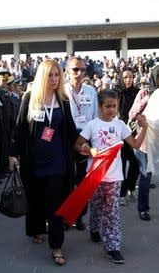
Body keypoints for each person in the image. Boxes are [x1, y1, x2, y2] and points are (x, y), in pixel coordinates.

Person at [10, 59, 78, 266]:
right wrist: (13, 154)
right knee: (36, 198)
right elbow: (20, 128)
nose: (55, 79)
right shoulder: (29, 98)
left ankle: (57, 246)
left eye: (57, 75)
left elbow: (72, 130)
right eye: (50, 75)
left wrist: (86, 145)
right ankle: (37, 229)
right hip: (34, 161)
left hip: (58, 161)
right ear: (42, 76)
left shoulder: (63, 100)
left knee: (55, 203)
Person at [75, 89, 148, 264]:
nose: (111, 110)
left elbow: (136, 144)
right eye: (108, 106)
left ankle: (113, 246)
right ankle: (94, 228)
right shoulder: (92, 125)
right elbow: (77, 145)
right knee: (96, 205)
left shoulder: (120, 125)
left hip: (114, 177)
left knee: (111, 212)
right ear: (100, 107)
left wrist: (144, 127)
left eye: (114, 106)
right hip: (95, 175)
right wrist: (88, 149)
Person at [65, 56, 98, 230]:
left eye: (83, 70)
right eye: (75, 69)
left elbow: (94, 118)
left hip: (85, 139)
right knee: (67, 181)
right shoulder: (62, 91)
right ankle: (66, 216)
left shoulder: (91, 92)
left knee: (83, 182)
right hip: (68, 139)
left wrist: (88, 141)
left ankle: (79, 216)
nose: (79, 73)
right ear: (67, 71)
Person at [128, 64, 159, 220]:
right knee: (145, 176)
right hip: (144, 143)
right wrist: (147, 100)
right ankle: (143, 209)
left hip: (157, 144)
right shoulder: (144, 93)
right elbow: (132, 114)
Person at [114, 67, 140, 205]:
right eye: (125, 77)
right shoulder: (115, 92)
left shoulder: (137, 93)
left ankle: (131, 186)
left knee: (136, 162)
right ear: (121, 78)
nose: (128, 80)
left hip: (135, 133)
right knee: (122, 164)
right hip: (119, 133)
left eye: (130, 77)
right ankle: (122, 194)